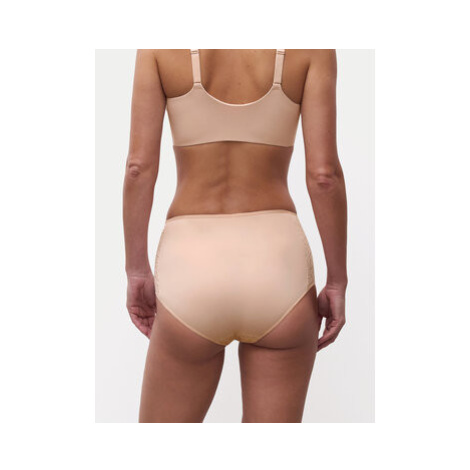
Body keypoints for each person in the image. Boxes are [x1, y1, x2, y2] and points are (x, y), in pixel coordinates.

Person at [123, 49, 347, 423]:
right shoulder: (312, 47)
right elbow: (324, 176)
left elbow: (138, 168)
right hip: (278, 269)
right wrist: (337, 281)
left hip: (191, 266)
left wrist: (136, 269)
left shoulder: (159, 47)